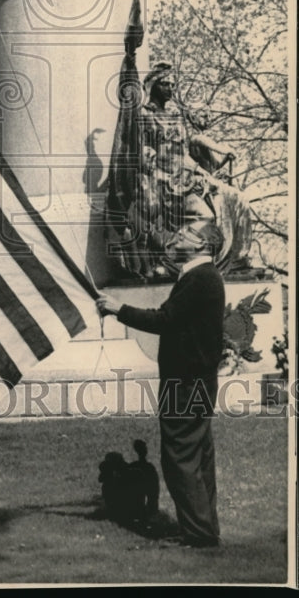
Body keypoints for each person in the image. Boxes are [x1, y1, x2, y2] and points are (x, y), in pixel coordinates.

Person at [96, 218, 226, 548]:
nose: (178, 233)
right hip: (196, 381)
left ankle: (198, 534)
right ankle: (204, 529)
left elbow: (164, 320)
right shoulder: (202, 277)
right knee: (198, 457)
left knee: (180, 457)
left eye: (187, 232)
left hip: (185, 384)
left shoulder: (199, 277)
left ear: (202, 245)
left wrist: (117, 308)